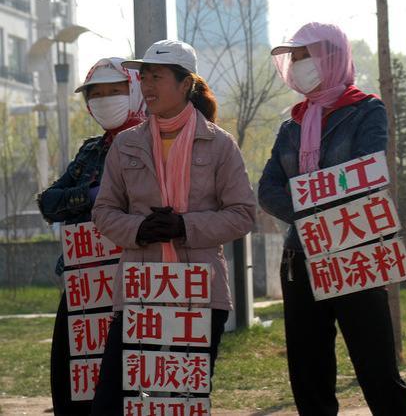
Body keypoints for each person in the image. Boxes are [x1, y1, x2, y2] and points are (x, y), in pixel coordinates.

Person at [90, 40, 256, 415]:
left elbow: (243, 213)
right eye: (144, 76)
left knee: (182, 402)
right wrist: (140, 230)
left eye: (158, 77)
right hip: (140, 291)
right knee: (110, 401)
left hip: (200, 292)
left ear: (186, 84)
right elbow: (104, 212)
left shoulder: (219, 145)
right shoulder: (127, 145)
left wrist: (184, 226)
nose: (147, 85)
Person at [258, 22, 406, 416]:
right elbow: (268, 189)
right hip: (300, 258)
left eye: (304, 55)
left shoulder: (366, 109)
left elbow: (367, 174)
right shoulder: (291, 124)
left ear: (331, 56)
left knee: (378, 370)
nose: (297, 65)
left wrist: (310, 201)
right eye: (292, 58)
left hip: (353, 251)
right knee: (309, 377)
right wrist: (314, 211)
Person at [37, 57, 146, 416]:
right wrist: (90, 194)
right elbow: (49, 202)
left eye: (115, 91)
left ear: (134, 91)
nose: (105, 100)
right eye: (96, 94)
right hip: (83, 278)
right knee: (72, 373)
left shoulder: (153, 144)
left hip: (132, 279)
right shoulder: (90, 151)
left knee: (126, 378)